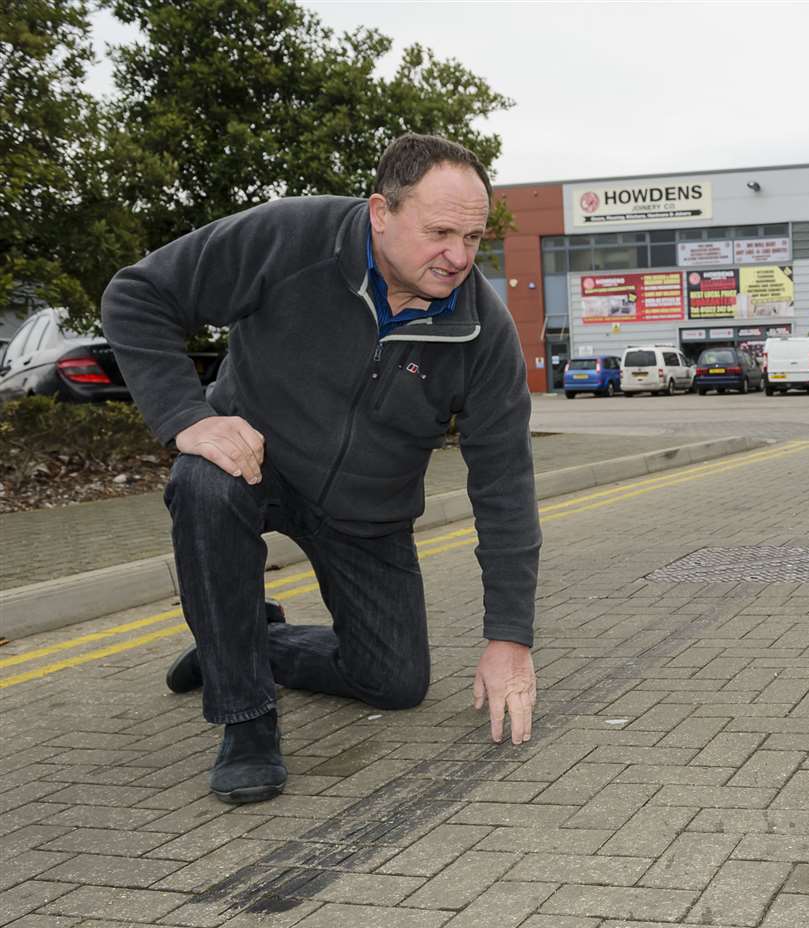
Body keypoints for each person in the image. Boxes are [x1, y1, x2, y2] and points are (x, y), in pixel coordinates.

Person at [102, 133, 541, 805]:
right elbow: (137, 296)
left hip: (366, 512)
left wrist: (509, 636)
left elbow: (504, 486)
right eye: (440, 232)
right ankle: (244, 718)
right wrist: (188, 417)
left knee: (395, 683)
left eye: (474, 237)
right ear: (380, 212)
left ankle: (252, 641)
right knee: (202, 482)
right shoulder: (289, 236)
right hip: (255, 461)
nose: (457, 257)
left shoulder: (481, 330)